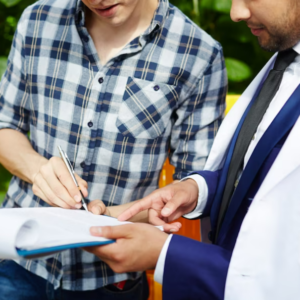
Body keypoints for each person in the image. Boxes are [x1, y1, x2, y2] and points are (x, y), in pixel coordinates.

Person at [0, 0, 227, 299]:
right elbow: (5, 125)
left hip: (110, 281)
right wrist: (37, 169)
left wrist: (116, 215)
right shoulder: (37, 19)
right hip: (18, 261)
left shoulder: (198, 53)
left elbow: (194, 185)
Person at [84, 0, 300, 299]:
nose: (236, 13)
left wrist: (166, 253)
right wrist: (197, 189)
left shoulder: (199, 50)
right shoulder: (286, 60)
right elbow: (263, 173)